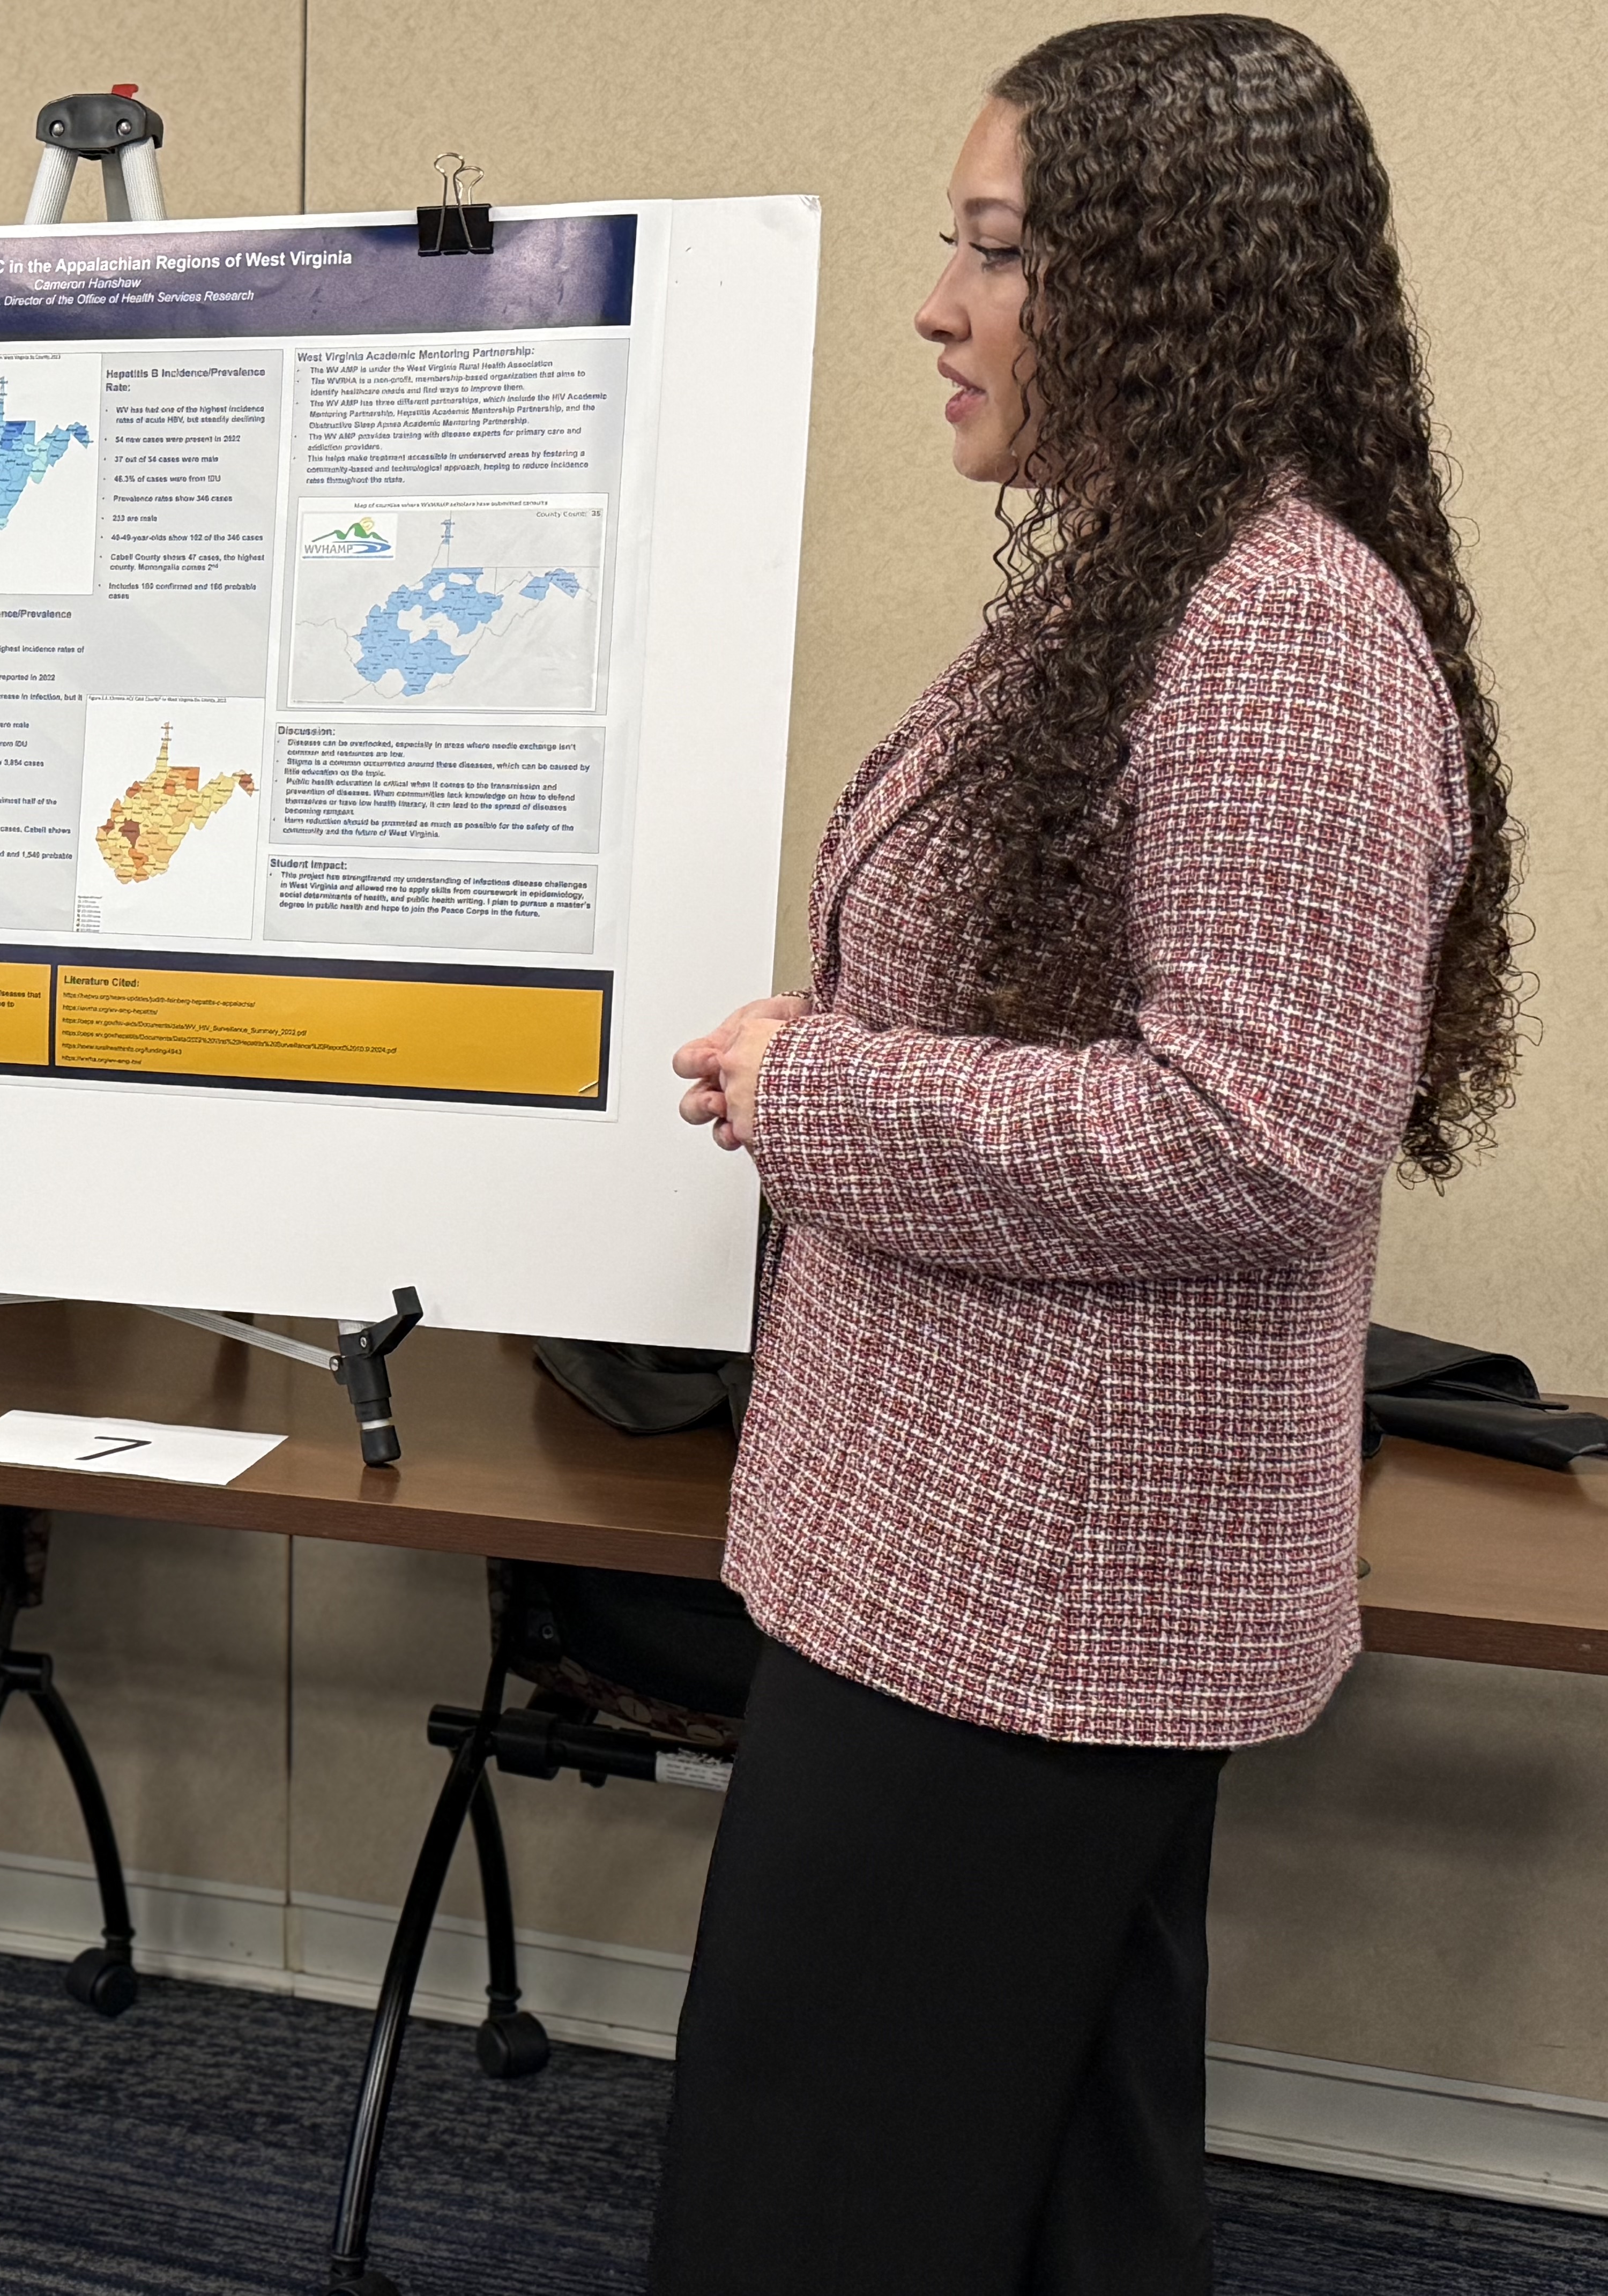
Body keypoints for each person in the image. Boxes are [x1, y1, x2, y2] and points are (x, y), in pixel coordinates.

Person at [657, 18, 1520, 2294]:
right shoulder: (1134, 585)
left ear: (1179, 281)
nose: (939, 304)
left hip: (1039, 1589)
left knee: (821, 2197)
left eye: (1001, 250)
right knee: (1054, 2183)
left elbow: (1258, 1130)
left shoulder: (1281, 628)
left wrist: (807, 1086)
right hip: (971, 1547)